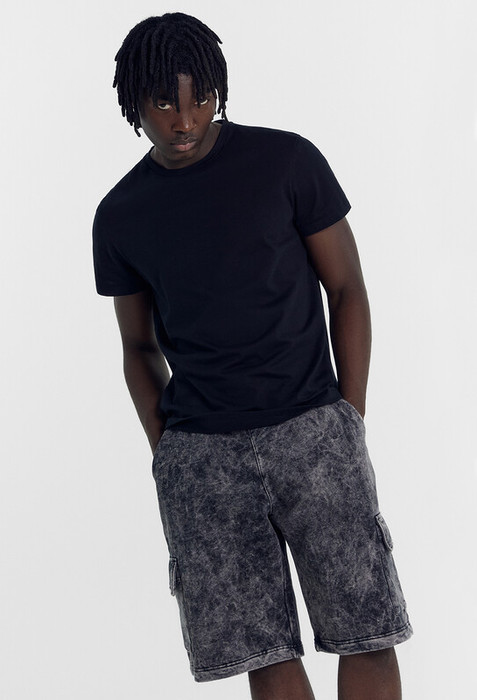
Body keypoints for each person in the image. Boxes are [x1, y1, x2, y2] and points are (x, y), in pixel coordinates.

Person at [92, 12, 413, 699]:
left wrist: (347, 418)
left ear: (219, 91)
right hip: (204, 461)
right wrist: (167, 452)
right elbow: (137, 346)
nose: (185, 121)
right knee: (264, 654)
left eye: (201, 99)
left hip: (313, 432)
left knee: (366, 631)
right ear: (133, 100)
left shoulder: (286, 162)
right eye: (164, 103)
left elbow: (347, 289)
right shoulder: (120, 215)